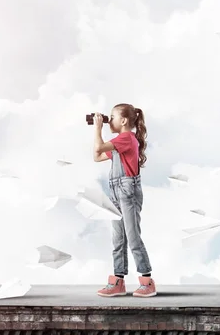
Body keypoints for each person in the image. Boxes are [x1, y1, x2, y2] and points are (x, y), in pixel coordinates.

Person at [92, 103, 156, 297]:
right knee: (118, 239)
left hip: (127, 192)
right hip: (116, 192)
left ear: (124, 121)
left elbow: (100, 146)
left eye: (111, 117)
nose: (108, 121)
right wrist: (98, 131)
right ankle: (118, 281)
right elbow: (97, 156)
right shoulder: (120, 142)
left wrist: (97, 128)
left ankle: (147, 281)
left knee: (133, 236)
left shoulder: (126, 138)